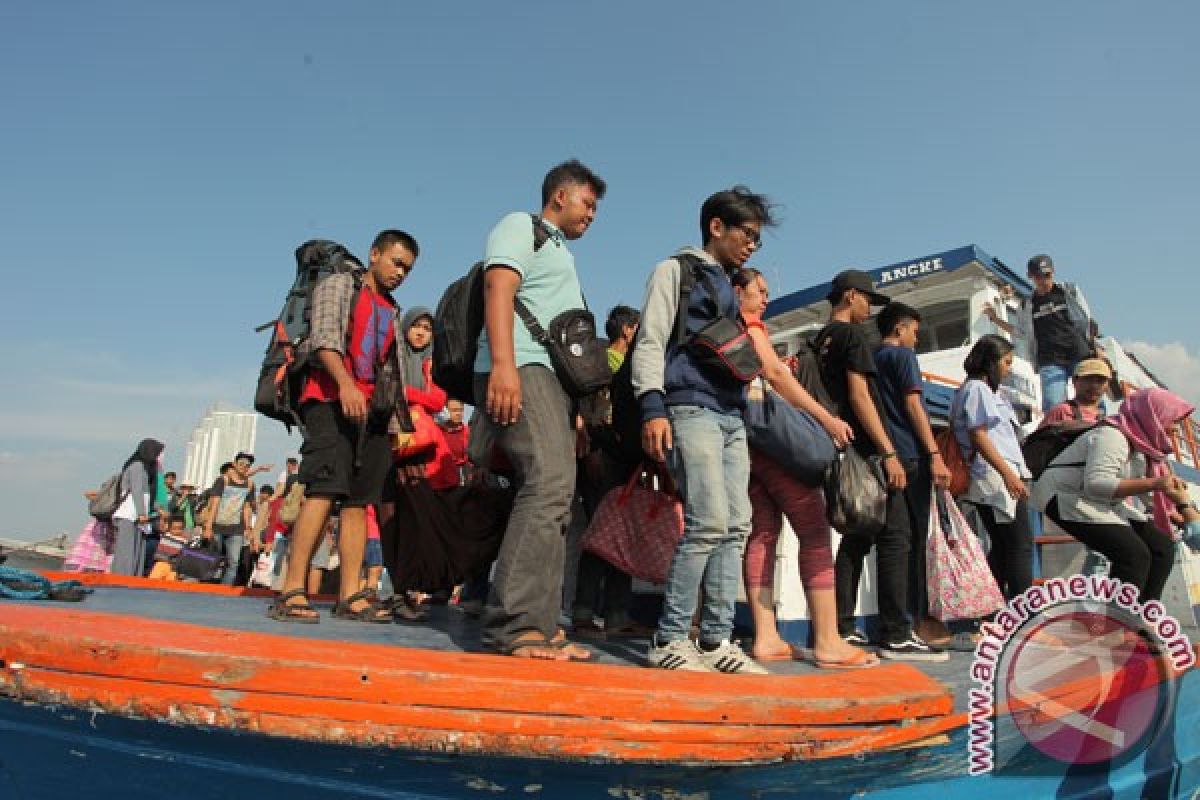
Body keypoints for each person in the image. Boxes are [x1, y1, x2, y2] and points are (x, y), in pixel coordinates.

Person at [633, 186, 776, 674]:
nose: (752, 245)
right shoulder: (673, 271)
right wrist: (652, 407)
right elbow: (650, 340)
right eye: (747, 234)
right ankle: (670, 637)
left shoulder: (729, 288)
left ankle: (716, 641)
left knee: (737, 525)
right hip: (690, 408)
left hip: (732, 415)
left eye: (758, 238)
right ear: (717, 226)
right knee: (708, 522)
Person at [471, 159, 605, 661]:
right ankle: (514, 625)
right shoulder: (519, 226)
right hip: (520, 367)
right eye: (588, 204)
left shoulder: (560, 252)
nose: (592, 215)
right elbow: (499, 289)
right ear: (560, 197)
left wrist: (572, 410)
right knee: (547, 485)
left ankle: (541, 624)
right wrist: (503, 366)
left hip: (547, 379)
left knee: (557, 495)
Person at [271, 229, 418, 623]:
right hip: (328, 400)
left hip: (373, 412)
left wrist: (397, 421)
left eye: (407, 268)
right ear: (374, 254)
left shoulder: (393, 308)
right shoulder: (339, 285)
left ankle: (351, 594)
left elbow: (394, 369)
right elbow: (324, 340)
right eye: (395, 262)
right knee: (323, 490)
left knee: (359, 501)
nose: (400, 272)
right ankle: (292, 590)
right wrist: (346, 385)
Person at [732, 268, 874, 668]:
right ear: (738, 291)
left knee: (762, 534)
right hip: (775, 445)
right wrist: (826, 420)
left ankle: (766, 636)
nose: (764, 299)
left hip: (748, 442)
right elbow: (776, 375)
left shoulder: (722, 328)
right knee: (813, 532)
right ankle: (828, 639)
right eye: (759, 291)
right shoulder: (750, 326)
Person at [816, 272, 946, 662]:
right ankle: (895, 632)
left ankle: (842, 625)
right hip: (876, 450)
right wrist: (889, 453)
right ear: (851, 296)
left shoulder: (821, 339)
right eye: (867, 301)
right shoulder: (855, 338)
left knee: (857, 537)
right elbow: (861, 396)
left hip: (843, 448)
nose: (870, 310)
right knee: (897, 537)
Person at [1032, 388, 1192, 603]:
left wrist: (1171, 512)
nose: (1173, 429)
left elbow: (1143, 487)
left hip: (1098, 500)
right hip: (1066, 496)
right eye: (1171, 421)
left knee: (1161, 547)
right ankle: (1117, 623)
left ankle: (1144, 615)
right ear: (1154, 416)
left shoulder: (1140, 443)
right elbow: (1097, 484)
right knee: (1132, 555)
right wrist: (1155, 483)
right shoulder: (1112, 436)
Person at [872, 302, 955, 647]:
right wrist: (935, 454)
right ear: (900, 328)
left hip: (883, 454)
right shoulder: (902, 358)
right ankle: (909, 625)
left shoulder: (872, 359)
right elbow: (912, 404)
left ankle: (892, 625)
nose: (916, 340)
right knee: (910, 543)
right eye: (915, 332)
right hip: (909, 453)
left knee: (891, 541)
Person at [571, 304, 646, 640]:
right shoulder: (601, 359)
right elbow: (585, 404)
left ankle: (616, 614)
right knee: (600, 537)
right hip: (603, 455)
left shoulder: (636, 365)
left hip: (627, 458)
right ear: (628, 330)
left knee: (620, 536)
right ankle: (585, 611)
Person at [951, 335, 1033, 600]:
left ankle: (993, 610)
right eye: (1006, 362)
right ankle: (1024, 614)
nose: (1008, 369)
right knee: (1020, 545)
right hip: (994, 477)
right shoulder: (977, 389)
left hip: (996, 476)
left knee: (1003, 545)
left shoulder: (985, 391)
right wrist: (1009, 475)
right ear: (991, 361)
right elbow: (980, 435)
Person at [983, 254, 1094, 412]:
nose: (1044, 280)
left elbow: (1086, 320)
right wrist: (995, 319)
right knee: (1053, 405)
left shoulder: (1069, 291)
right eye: (1038, 276)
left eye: (1047, 275)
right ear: (1031, 277)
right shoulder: (1028, 304)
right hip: (1050, 360)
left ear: (1053, 272)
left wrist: (1093, 348)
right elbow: (1020, 332)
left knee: (1092, 396)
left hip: (1078, 353)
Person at [111, 439, 165, 576]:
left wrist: (157, 508)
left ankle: (133, 576)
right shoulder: (137, 466)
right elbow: (136, 490)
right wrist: (141, 513)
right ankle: (122, 577)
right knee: (127, 549)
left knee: (138, 549)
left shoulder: (147, 469)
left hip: (140, 516)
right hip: (130, 514)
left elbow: (148, 494)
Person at [204, 453, 257, 586]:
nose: (244, 467)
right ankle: (209, 586)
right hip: (217, 526)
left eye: (247, 465)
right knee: (213, 558)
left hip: (236, 529)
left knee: (233, 562)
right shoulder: (223, 480)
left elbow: (247, 507)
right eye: (241, 464)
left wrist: (248, 528)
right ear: (234, 464)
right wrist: (208, 527)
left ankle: (224, 591)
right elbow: (215, 503)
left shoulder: (250, 484)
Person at [1039, 357, 1111, 427]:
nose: (1094, 385)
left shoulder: (1107, 421)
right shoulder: (1062, 411)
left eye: (1100, 381)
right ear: (1074, 381)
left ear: (1107, 385)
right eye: (1088, 379)